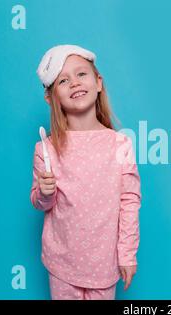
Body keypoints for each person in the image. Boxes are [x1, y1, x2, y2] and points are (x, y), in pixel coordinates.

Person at [30, 44, 141, 300]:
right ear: (51, 97)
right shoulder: (45, 149)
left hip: (103, 264)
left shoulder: (120, 144)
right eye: (63, 80)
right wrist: (44, 193)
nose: (75, 83)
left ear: (98, 82)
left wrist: (127, 253)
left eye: (81, 74)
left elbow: (129, 202)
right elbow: (41, 203)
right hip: (61, 264)